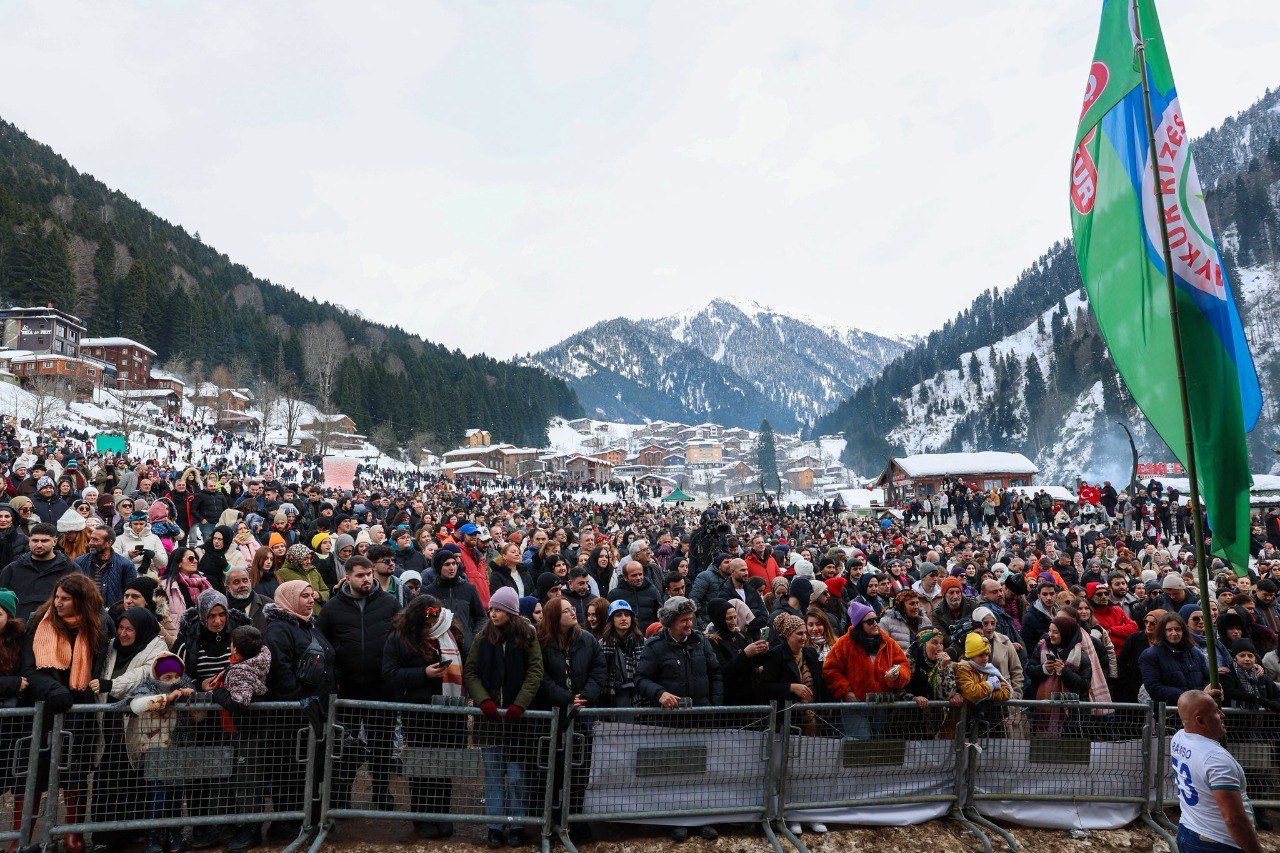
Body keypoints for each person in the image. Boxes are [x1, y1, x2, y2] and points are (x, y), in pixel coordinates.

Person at [22, 574, 109, 853]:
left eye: (65, 598)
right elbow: (30, 666)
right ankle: (21, 836)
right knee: (34, 775)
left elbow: (98, 666)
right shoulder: (40, 621)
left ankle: (72, 835)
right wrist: (51, 689)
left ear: (80, 601)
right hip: (44, 709)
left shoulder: (97, 626)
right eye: (57, 596)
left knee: (75, 774)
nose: (58, 603)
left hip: (79, 711)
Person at [632, 595, 722, 843]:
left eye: (690, 618)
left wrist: (714, 705)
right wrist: (659, 693)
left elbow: (715, 674)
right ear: (670, 622)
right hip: (671, 722)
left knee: (703, 772)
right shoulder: (655, 646)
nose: (688, 624)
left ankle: (704, 819)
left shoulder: (701, 642)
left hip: (702, 718)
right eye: (683, 620)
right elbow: (640, 680)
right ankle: (677, 820)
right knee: (675, 772)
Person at [462, 586, 543, 849]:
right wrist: (484, 700)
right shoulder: (482, 637)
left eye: (498, 609)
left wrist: (519, 704)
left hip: (517, 719)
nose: (492, 613)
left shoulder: (528, 636)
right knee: (494, 774)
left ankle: (516, 823)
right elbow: (471, 671)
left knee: (518, 775)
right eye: (492, 609)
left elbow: (534, 671)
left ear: (509, 612)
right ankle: (495, 826)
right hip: (491, 720)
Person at [317, 555, 400, 811]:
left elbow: (399, 640)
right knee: (344, 745)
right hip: (347, 688)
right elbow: (322, 644)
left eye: (368, 574)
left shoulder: (389, 604)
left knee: (382, 744)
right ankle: (341, 796)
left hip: (380, 687)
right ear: (348, 577)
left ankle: (381, 791)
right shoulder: (332, 608)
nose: (366, 579)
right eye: (360, 575)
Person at [382, 595, 467, 840]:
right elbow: (390, 673)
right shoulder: (399, 639)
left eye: (434, 619)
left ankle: (442, 814)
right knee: (422, 765)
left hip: (450, 709)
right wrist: (424, 673)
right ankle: (422, 817)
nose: (431, 624)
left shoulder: (452, 632)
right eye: (427, 621)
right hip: (419, 711)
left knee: (445, 763)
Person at [534, 598, 603, 844]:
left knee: (579, 769)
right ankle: (549, 819)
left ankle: (575, 818)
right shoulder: (541, 643)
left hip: (581, 716)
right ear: (554, 616)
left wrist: (585, 697)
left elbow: (598, 670)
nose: (573, 612)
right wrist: (565, 698)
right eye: (566, 610)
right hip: (552, 717)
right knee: (550, 770)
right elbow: (539, 677)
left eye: (573, 608)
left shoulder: (587, 640)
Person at [759, 611, 829, 837]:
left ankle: (811, 813)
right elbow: (766, 687)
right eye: (799, 633)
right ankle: (790, 815)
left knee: (810, 768)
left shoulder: (809, 654)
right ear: (788, 635)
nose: (804, 636)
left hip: (812, 721)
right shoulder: (776, 656)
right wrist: (790, 687)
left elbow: (819, 684)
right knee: (786, 770)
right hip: (786, 721)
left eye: (804, 632)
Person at [1171, 690, 1263, 852]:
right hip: (1218, 843)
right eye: (1215, 711)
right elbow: (1234, 819)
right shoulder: (1216, 760)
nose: (1222, 715)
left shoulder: (1178, 738)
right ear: (1200, 721)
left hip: (1187, 831)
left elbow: (1188, 715)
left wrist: (1201, 698)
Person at [123, 654, 197, 853]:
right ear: (157, 676)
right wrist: (167, 698)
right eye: (166, 677)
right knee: (157, 796)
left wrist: (192, 699)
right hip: (154, 753)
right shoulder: (147, 689)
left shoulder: (185, 689)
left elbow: (199, 716)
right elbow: (136, 705)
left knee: (175, 796)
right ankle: (154, 836)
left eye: (175, 676)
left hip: (178, 752)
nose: (172, 680)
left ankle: (174, 833)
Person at [823, 601, 910, 739]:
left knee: (876, 744)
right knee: (861, 742)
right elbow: (830, 669)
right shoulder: (844, 643)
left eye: (876, 620)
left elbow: (904, 665)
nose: (875, 624)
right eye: (870, 622)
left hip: (881, 704)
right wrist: (845, 692)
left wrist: (898, 675)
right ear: (859, 625)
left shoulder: (887, 642)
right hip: (855, 705)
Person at [0, 523, 76, 621]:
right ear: (29, 541)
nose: (39, 545)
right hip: (19, 632)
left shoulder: (70, 569)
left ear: (54, 541)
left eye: (44, 541)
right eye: (35, 540)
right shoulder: (12, 570)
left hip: (57, 629)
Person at [1140, 613, 1216, 707]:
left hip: (1198, 708)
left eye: (1177, 629)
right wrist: (1189, 697)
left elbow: (1207, 678)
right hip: (1169, 712)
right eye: (1169, 630)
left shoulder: (1195, 652)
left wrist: (1204, 693)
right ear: (1162, 632)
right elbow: (1154, 687)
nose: (1174, 633)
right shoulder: (1150, 655)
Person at [705, 599, 769, 705]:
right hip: (731, 698)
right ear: (719, 619)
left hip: (750, 693)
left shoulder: (740, 635)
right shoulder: (712, 641)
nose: (733, 622)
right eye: (729, 618)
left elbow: (752, 663)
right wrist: (745, 654)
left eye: (735, 617)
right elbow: (723, 672)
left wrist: (760, 652)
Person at [422, 549, 486, 649]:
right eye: (447, 564)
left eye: (454, 563)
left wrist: (474, 637)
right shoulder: (428, 592)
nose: (452, 568)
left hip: (467, 647)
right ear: (439, 567)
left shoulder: (469, 589)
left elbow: (481, 617)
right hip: (440, 647)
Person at [954, 632, 1012, 736]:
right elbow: (971, 692)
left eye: (987, 654)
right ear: (972, 655)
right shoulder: (963, 669)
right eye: (981, 655)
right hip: (968, 722)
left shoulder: (990, 669)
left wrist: (988, 695)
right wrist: (990, 685)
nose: (985, 658)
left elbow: (1006, 692)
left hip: (991, 722)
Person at [74, 525, 137, 608]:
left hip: (113, 616)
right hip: (85, 613)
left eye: (95, 540)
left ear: (108, 543)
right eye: (91, 539)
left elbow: (130, 595)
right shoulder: (80, 562)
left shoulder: (125, 565)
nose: (90, 543)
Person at [598, 600, 643, 708]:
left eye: (627, 615)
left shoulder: (643, 642)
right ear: (612, 619)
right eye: (618, 615)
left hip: (637, 694)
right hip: (609, 695)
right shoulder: (601, 644)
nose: (623, 618)